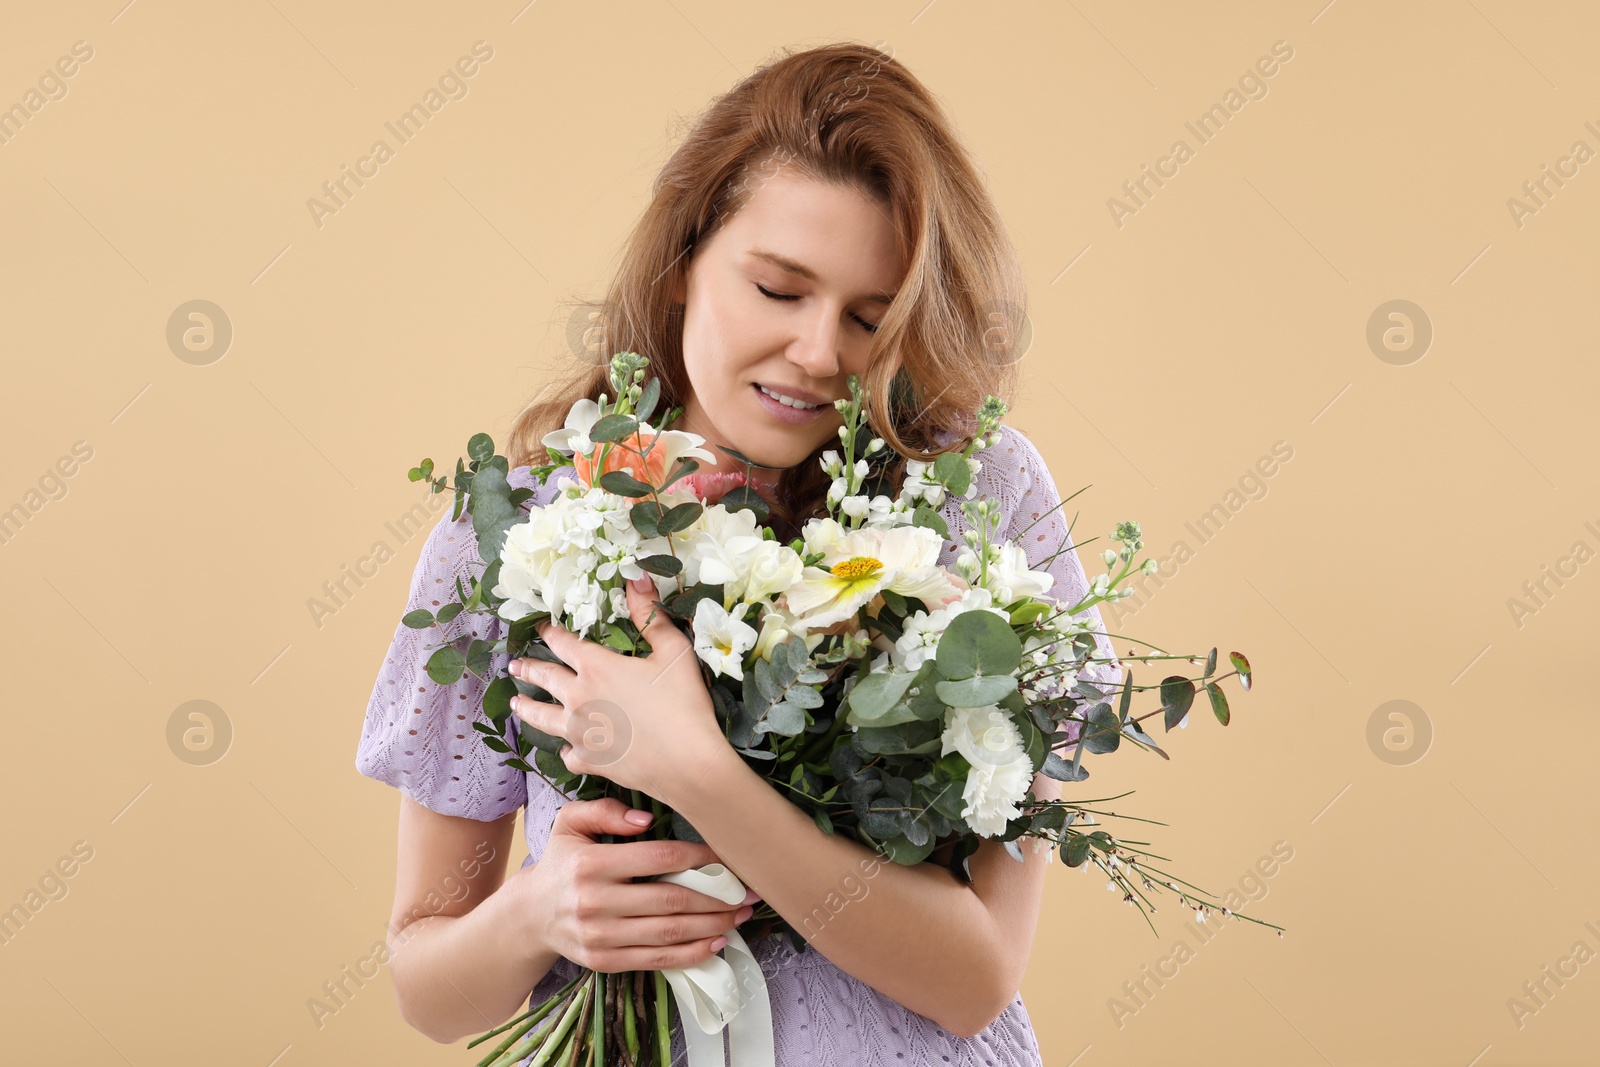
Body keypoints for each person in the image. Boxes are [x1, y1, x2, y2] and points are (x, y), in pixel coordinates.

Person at [355, 41, 1123, 1065]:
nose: (819, 352)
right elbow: (427, 983)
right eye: (777, 288)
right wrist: (540, 913)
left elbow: (974, 979)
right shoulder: (515, 525)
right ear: (681, 266)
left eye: (868, 315)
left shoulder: (977, 495)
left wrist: (697, 770)